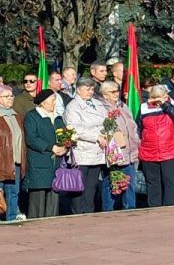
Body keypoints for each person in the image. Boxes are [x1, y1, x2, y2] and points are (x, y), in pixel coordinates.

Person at [63, 78, 108, 214]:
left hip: (98, 150)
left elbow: (106, 120)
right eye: (87, 89)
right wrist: (96, 137)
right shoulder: (73, 106)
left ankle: (89, 211)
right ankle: (78, 212)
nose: (90, 92)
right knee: (79, 185)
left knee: (92, 185)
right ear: (78, 89)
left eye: (92, 89)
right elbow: (74, 128)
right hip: (82, 151)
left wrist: (108, 132)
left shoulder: (98, 104)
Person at [23, 90, 67, 219]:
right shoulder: (32, 116)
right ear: (42, 102)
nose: (55, 103)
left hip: (56, 163)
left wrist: (65, 146)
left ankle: (52, 226)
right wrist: (50, 147)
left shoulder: (57, 117)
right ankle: (35, 226)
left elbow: (64, 135)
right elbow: (31, 138)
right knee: (38, 196)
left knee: (54, 195)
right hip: (40, 162)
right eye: (52, 100)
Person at [139, 85, 174, 208]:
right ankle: (154, 209)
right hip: (149, 152)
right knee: (153, 183)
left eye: (163, 97)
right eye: (156, 98)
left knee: (169, 181)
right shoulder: (143, 108)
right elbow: (138, 128)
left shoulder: (172, 104)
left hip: (169, 151)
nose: (160, 100)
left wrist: (166, 105)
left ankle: (170, 208)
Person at [97, 80, 139, 211]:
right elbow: (103, 129)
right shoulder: (101, 108)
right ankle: (108, 211)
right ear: (105, 94)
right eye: (113, 91)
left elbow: (133, 126)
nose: (117, 93)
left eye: (117, 90)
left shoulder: (123, 106)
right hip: (114, 153)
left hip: (130, 152)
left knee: (130, 184)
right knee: (111, 184)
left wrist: (136, 140)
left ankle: (130, 210)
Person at [0, 85, 26, 221]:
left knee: (13, 193)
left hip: (15, 162)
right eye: (6, 96)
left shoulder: (18, 117)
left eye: (11, 96)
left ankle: (11, 220)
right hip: (1, 162)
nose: (10, 98)